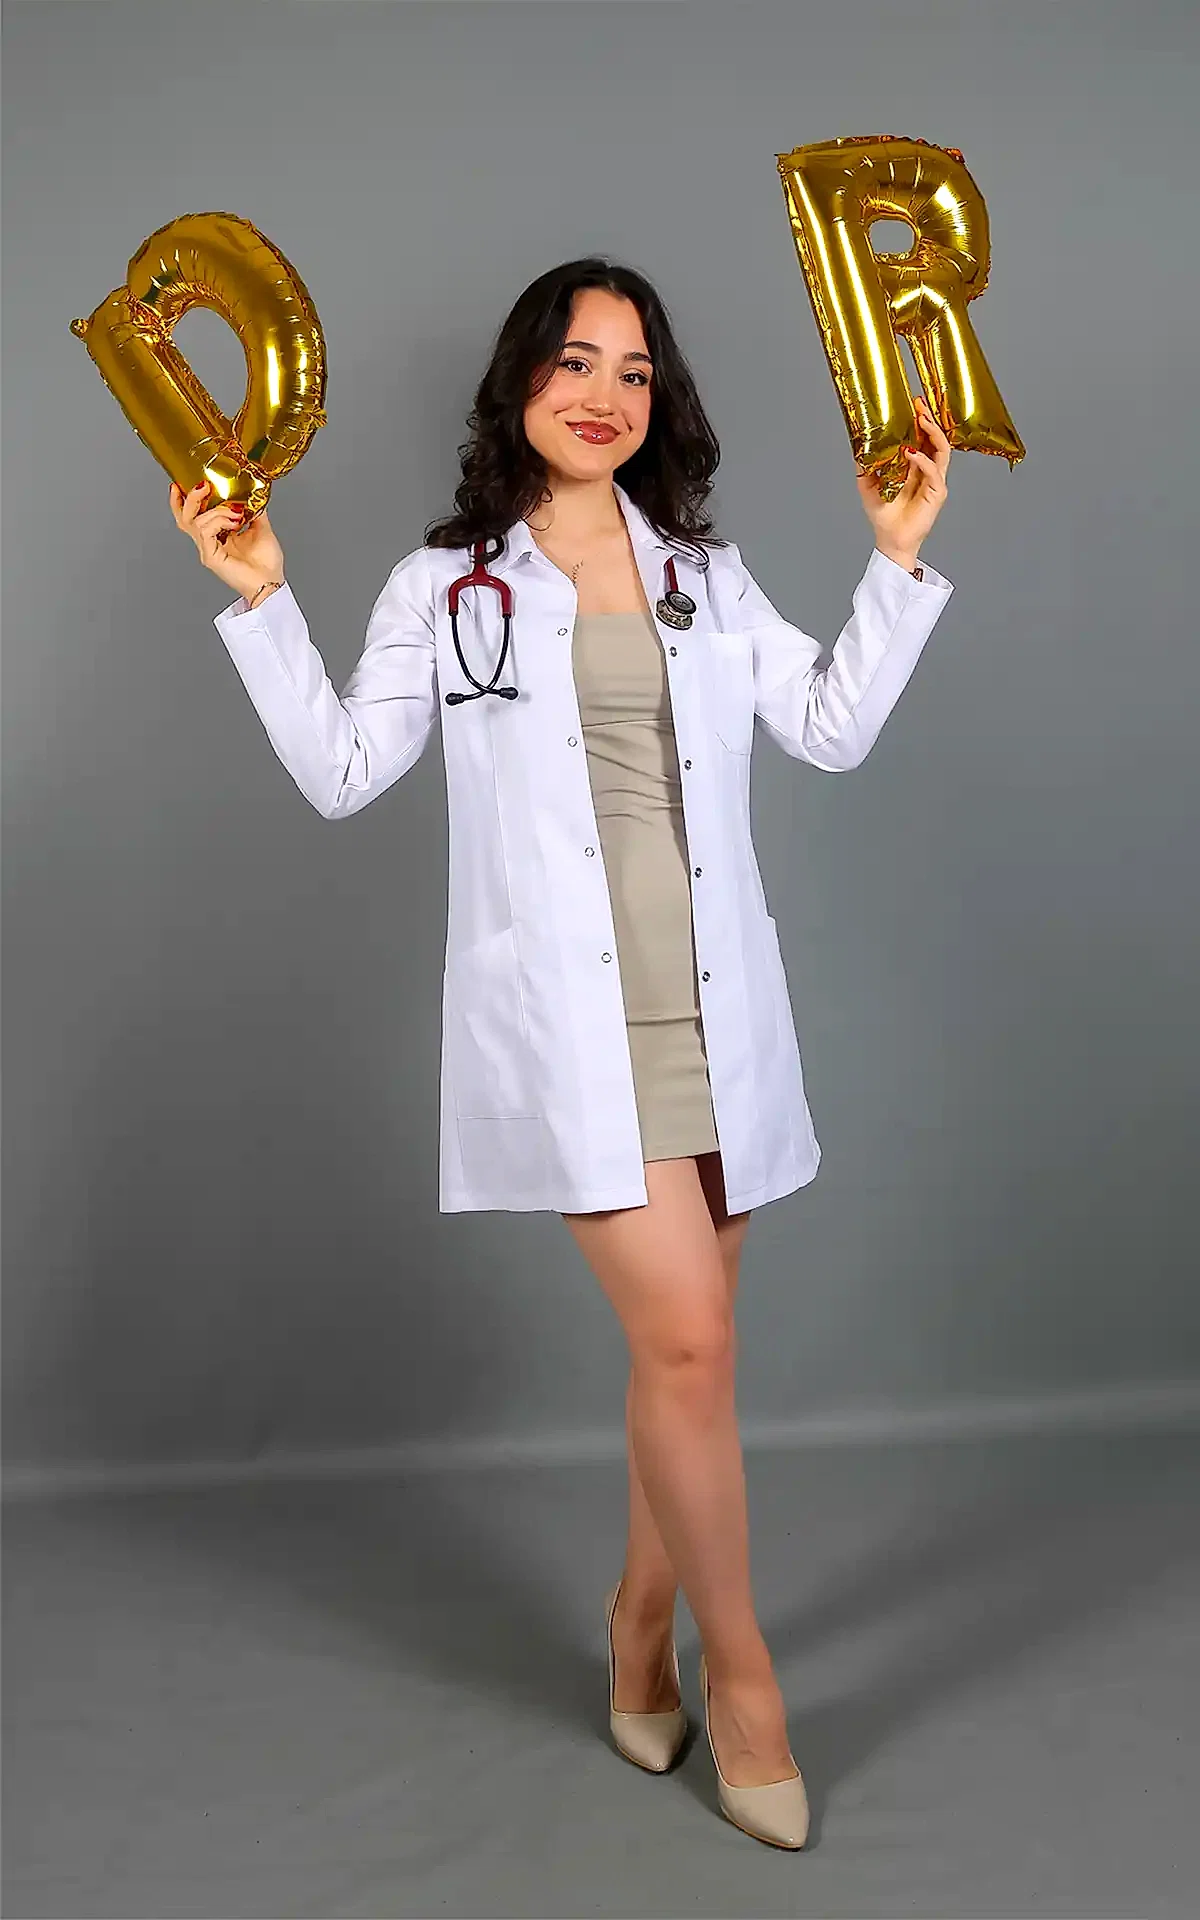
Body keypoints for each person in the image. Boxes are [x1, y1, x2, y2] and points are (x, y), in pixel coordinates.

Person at [171, 256, 953, 1850]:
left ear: (661, 403)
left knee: (689, 1363)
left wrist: (897, 560)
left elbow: (830, 725)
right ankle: (747, 1685)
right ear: (520, 380)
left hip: (714, 1010)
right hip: (573, 1028)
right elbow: (342, 769)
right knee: (690, 1348)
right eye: (576, 360)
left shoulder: (703, 575)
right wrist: (261, 598)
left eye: (634, 370)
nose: (605, 394)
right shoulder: (445, 586)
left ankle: (638, 1629)